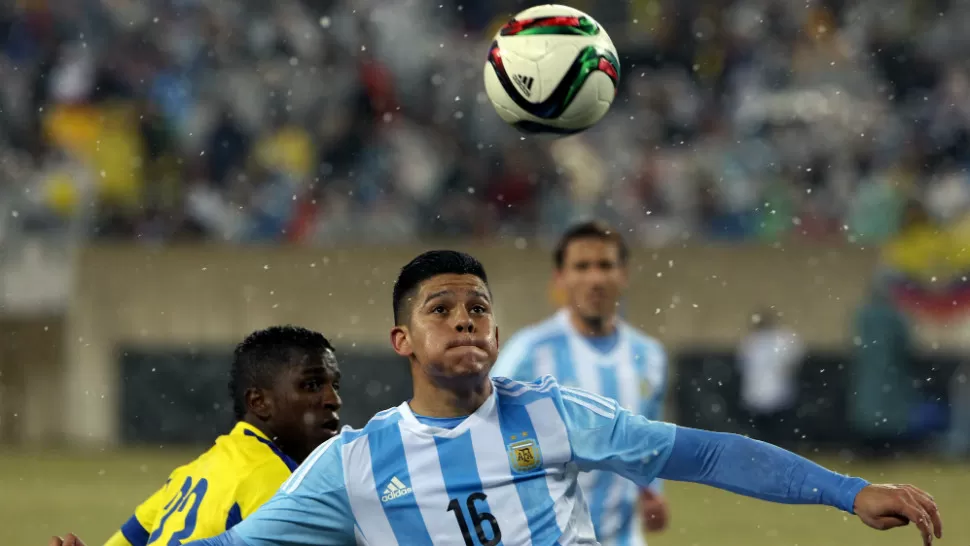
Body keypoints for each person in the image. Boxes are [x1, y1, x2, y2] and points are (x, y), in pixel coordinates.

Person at [55, 251, 942, 546]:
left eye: (479, 306)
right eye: (441, 310)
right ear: (403, 343)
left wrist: (846, 491)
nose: (468, 321)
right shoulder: (353, 465)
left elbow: (704, 451)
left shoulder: (549, 411)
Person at [491, 220, 671, 544]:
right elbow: (485, 428)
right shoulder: (530, 352)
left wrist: (651, 489)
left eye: (605, 265)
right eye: (582, 266)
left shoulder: (650, 356)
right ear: (561, 278)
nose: (595, 278)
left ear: (623, 274)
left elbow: (648, 434)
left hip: (624, 537)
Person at [86, 325, 342, 546]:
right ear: (259, 402)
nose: (333, 399)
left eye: (335, 386)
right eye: (311, 385)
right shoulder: (275, 479)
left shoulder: (190, 475)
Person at [736, 308, 805, 450]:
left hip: (771, 395)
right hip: (766, 395)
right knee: (773, 435)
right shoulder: (753, 342)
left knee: (768, 435)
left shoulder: (774, 340)